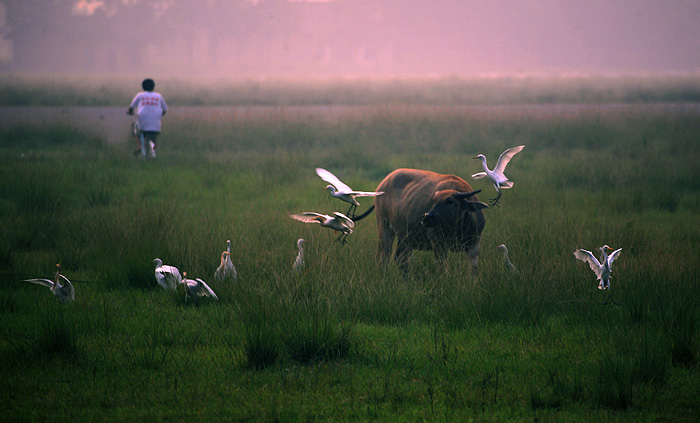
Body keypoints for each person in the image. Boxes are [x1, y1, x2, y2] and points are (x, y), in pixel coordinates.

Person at [127, 78, 168, 159]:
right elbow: (165, 109)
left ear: (143, 87)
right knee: (153, 140)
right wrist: (158, 115)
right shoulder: (159, 96)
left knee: (135, 128)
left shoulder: (140, 95)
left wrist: (131, 112)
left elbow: (131, 108)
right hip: (156, 124)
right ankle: (153, 155)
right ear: (153, 87)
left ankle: (139, 146)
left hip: (142, 122)